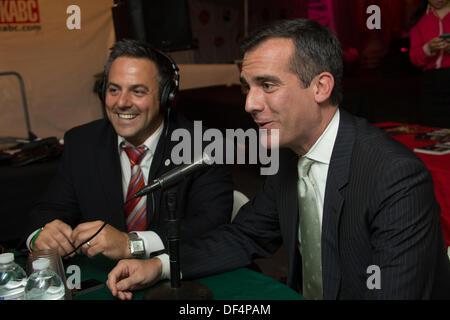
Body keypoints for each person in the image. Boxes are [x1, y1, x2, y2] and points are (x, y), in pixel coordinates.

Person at [106, 19, 450, 300]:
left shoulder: (395, 175)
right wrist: (161, 266)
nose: (249, 104)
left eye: (267, 85)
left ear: (320, 87)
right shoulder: (289, 158)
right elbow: (244, 236)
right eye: (247, 87)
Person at [23, 39, 233, 263]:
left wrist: (132, 243)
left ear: (166, 97)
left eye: (138, 91)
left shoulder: (203, 145)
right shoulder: (82, 142)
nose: (121, 102)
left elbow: (212, 225)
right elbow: (48, 208)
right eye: (114, 90)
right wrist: (41, 235)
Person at [409, 0, 450, 128]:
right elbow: (414, 58)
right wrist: (428, 48)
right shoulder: (420, 19)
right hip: (432, 82)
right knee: (431, 129)